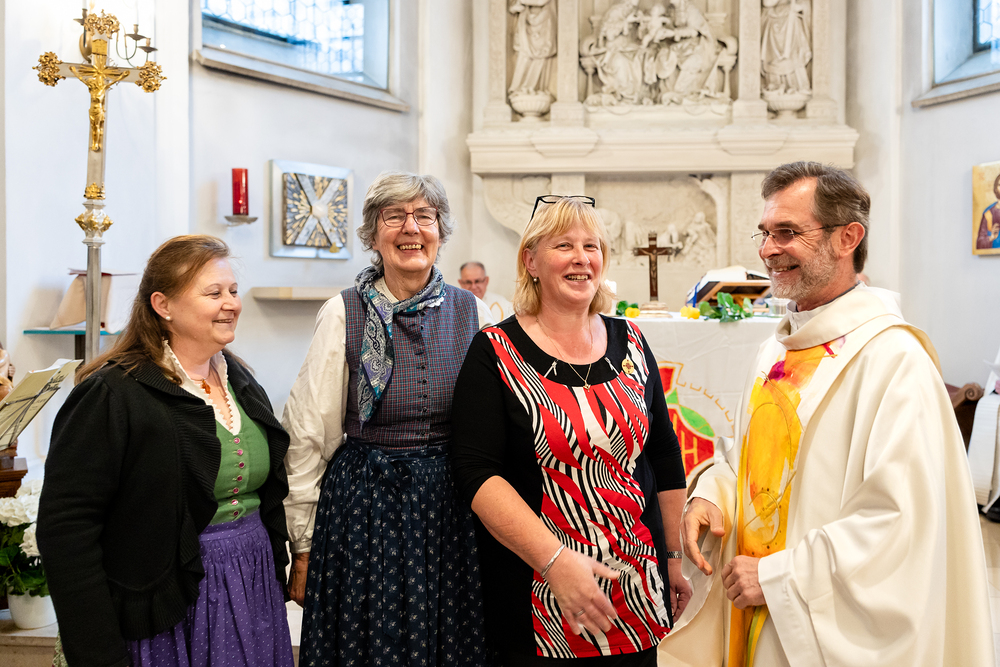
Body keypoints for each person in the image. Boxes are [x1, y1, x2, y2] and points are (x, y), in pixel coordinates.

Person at [661, 162, 994, 666]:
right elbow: (750, 463)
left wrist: (779, 577)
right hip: (753, 605)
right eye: (765, 232)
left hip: (809, 617)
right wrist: (712, 492)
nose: (767, 250)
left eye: (788, 232)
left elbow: (901, 522)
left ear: (847, 238)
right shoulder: (776, 350)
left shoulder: (893, 361)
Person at [451, 196, 691, 666]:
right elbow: (476, 473)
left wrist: (673, 557)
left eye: (592, 246)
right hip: (541, 590)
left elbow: (662, 453)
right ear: (531, 261)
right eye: (564, 245)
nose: (582, 258)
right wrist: (555, 562)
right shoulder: (494, 350)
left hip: (638, 588)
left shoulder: (631, 341)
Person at [37, 235, 294, 667]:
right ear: (163, 305)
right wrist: (97, 651)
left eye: (233, 291)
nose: (231, 303)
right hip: (167, 601)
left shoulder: (241, 381)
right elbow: (66, 529)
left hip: (251, 585)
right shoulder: (113, 393)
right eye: (213, 293)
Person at [283, 171, 494, 666]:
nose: (411, 228)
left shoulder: (475, 313)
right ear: (373, 234)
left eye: (425, 216)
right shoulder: (343, 313)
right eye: (394, 216)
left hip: (450, 511)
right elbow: (309, 434)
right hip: (364, 510)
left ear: (440, 231)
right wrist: (304, 545)